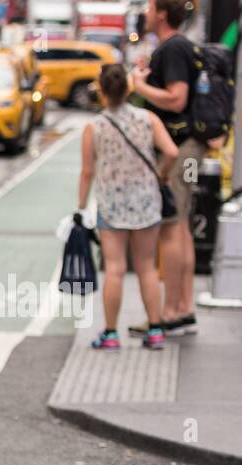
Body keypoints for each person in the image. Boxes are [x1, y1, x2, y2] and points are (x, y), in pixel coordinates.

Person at [80, 64, 178, 350]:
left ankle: (110, 334)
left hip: (111, 204)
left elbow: (87, 171)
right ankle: (156, 331)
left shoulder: (94, 126)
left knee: (114, 269)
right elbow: (171, 151)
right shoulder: (147, 119)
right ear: (128, 88)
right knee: (147, 268)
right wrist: (162, 174)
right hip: (146, 201)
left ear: (102, 90)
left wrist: (80, 205)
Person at [130, 0, 199, 336]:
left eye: (149, 7)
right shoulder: (180, 47)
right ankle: (184, 306)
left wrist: (140, 86)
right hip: (190, 149)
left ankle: (170, 311)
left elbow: (177, 99)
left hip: (178, 148)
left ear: (161, 13)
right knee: (182, 224)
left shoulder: (172, 49)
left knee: (171, 227)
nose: (144, 13)